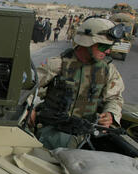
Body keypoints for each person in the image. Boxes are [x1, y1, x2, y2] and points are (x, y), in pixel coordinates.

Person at [31, 18, 125, 150]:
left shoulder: (108, 70)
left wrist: (110, 114)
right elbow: (27, 88)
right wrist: (30, 110)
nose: (108, 51)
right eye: (103, 46)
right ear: (88, 42)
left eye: (110, 47)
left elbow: (114, 98)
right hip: (52, 133)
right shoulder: (58, 64)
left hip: (86, 135)